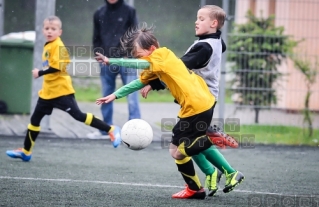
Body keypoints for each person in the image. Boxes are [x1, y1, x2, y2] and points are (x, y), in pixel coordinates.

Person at [94, 23, 243, 199]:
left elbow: (132, 63)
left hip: (196, 105)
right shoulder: (157, 62)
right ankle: (198, 186)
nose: (139, 60)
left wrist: (111, 60)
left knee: (182, 148)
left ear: (151, 49)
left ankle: (213, 149)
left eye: (140, 56)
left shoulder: (161, 55)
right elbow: (138, 83)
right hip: (199, 103)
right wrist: (114, 95)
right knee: (177, 151)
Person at [140, 5, 243, 197]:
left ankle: (224, 172)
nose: (196, 21)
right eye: (197, 17)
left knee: (180, 147)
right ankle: (212, 173)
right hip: (199, 98)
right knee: (183, 144)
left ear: (213, 24)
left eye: (202, 19)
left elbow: (177, 68)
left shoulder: (204, 47)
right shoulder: (215, 41)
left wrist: (153, 82)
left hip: (200, 99)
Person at [5, 16, 121, 162]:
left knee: (79, 116)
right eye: (47, 28)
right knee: (34, 120)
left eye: (53, 29)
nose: (49, 31)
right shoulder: (48, 45)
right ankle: (26, 151)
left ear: (60, 32)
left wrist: (39, 72)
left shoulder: (58, 46)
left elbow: (57, 67)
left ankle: (111, 129)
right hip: (47, 93)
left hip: (61, 92)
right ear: (42, 30)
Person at [88, 0, 141, 139]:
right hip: (106, 61)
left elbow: (136, 35)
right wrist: (100, 55)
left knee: (132, 95)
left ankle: (135, 131)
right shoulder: (99, 13)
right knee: (106, 94)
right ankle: (106, 129)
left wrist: (130, 56)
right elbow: (96, 37)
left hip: (127, 60)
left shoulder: (129, 11)